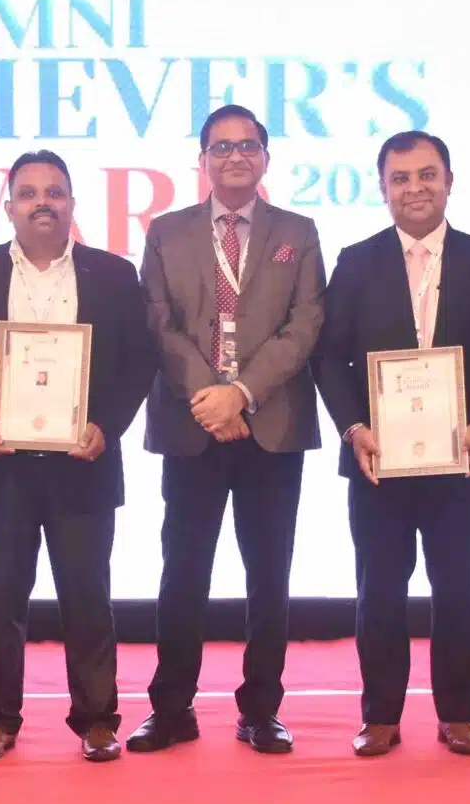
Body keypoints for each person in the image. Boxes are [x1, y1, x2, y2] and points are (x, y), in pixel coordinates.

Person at [315, 130, 470, 758]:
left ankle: (458, 715)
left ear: (449, 181)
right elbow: (328, 357)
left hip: (464, 459)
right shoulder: (356, 262)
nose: (415, 188)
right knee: (379, 593)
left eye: (427, 174)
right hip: (379, 461)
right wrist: (352, 428)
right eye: (401, 178)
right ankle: (380, 716)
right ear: (383, 188)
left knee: (458, 591)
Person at [0, 149, 154, 762]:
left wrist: (107, 427)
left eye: (54, 192)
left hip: (82, 463)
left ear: (72, 204)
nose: (42, 203)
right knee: (1, 601)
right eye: (28, 193)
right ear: (9, 207)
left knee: (88, 598)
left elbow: (138, 361)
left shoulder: (113, 274)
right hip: (0, 465)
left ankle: (97, 719)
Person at [128, 107, 325, 756]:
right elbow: (158, 324)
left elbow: (305, 325)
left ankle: (261, 709)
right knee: (183, 572)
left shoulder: (298, 231)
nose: (235, 156)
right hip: (192, 425)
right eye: (221, 146)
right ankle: (171, 707)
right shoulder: (167, 232)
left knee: (269, 575)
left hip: (273, 425)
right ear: (203, 160)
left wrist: (241, 392)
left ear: (265, 157)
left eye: (247, 145)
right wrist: (210, 397)